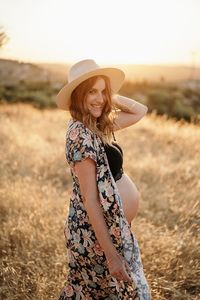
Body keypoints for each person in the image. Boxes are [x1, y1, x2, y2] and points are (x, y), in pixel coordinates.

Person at [56, 59, 151, 299]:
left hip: (114, 230)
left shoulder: (96, 125)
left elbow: (140, 110)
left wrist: (108, 96)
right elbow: (90, 199)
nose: (99, 98)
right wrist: (111, 255)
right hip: (95, 238)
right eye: (91, 92)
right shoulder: (80, 134)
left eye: (102, 91)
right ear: (78, 95)